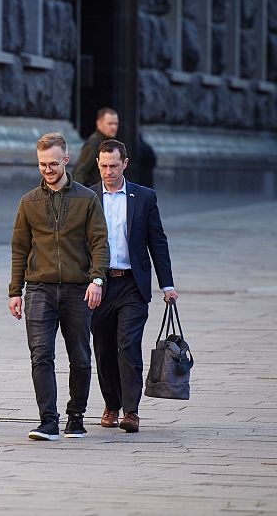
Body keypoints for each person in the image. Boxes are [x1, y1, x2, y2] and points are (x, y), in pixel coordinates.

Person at [8, 132, 109, 441]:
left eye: (53, 163)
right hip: (39, 287)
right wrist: (15, 291)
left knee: (79, 355)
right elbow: (20, 248)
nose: (47, 170)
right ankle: (48, 420)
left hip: (79, 289)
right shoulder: (29, 202)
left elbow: (100, 243)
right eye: (42, 165)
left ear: (66, 160)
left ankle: (75, 417)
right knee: (41, 354)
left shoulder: (87, 199)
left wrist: (97, 279)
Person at [89, 139, 178, 433]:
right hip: (99, 285)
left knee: (127, 345)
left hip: (131, 284)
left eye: (114, 166)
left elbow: (158, 241)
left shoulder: (144, 197)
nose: (108, 171)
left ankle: (131, 411)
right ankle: (111, 405)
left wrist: (167, 285)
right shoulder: (88, 197)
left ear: (125, 164)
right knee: (102, 348)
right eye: (103, 166)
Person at [72, 108, 119, 187]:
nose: (114, 127)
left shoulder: (110, 142)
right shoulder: (93, 144)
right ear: (99, 124)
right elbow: (79, 172)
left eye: (116, 124)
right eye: (110, 123)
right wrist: (82, 197)